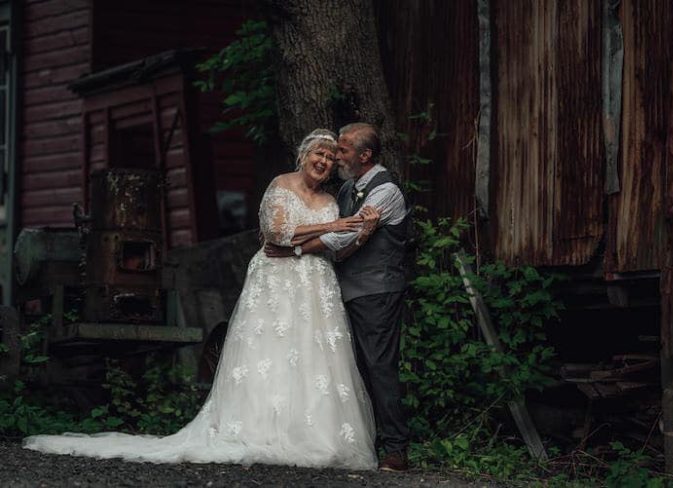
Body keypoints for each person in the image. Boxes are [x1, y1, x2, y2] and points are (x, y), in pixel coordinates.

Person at [23, 129, 382, 470]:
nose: (324, 161)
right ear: (305, 155)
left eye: (331, 159)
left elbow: (324, 247)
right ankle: (261, 429)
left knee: (312, 354)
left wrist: (352, 230)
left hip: (314, 282)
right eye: (319, 153)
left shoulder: (330, 201)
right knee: (271, 350)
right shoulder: (281, 185)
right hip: (276, 282)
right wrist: (329, 228)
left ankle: (314, 433)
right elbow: (276, 232)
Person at [266, 123, 410, 472]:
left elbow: (343, 238)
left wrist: (294, 252)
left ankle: (396, 448)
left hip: (376, 290)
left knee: (378, 365)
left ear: (365, 156)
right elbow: (344, 237)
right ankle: (365, 439)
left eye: (343, 150)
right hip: (340, 289)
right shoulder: (346, 189)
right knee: (349, 369)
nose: (335, 156)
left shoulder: (386, 191)